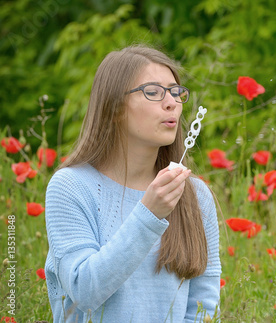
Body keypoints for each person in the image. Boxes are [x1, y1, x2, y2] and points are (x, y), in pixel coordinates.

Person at [44, 45, 221, 322]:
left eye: (176, 92)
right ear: (114, 108)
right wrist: (149, 214)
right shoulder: (71, 186)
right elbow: (84, 293)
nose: (171, 102)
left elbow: (203, 309)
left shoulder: (193, 195)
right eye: (153, 92)